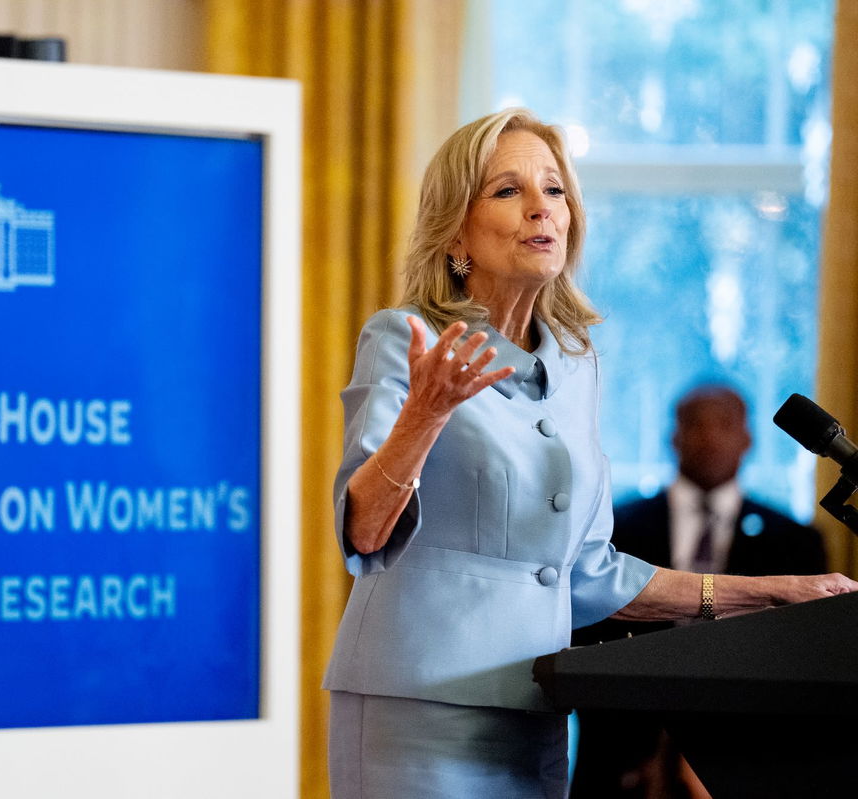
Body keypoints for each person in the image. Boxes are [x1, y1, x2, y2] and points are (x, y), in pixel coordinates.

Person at [322, 107, 857, 798]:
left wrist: (772, 594)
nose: (541, 209)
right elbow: (362, 530)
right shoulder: (406, 339)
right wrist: (424, 413)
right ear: (456, 232)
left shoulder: (577, 365)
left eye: (555, 190)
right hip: (419, 712)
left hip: (537, 712)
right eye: (507, 190)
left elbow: (590, 573)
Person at [570, 384, 826, 797]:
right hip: (622, 762)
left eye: (724, 424)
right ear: (672, 437)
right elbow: (585, 641)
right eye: (696, 425)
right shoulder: (614, 532)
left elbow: (800, 660)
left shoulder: (795, 542)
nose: (709, 437)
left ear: (748, 439)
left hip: (747, 760)